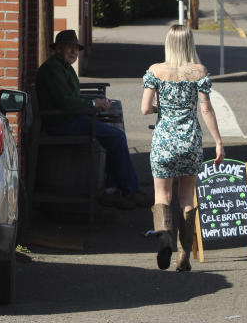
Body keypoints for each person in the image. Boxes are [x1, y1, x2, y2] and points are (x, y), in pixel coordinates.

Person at [35, 29, 151, 211]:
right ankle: (130, 189)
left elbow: (71, 98)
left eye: (76, 48)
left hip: (71, 118)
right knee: (116, 137)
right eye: (69, 47)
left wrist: (97, 103)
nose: (74, 52)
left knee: (114, 134)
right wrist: (93, 103)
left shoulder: (64, 67)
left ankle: (112, 190)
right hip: (61, 123)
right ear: (58, 49)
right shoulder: (52, 69)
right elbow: (65, 102)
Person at [141, 24, 225, 271]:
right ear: (189, 44)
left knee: (162, 196)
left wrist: (162, 109)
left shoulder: (155, 71)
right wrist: (218, 141)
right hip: (190, 140)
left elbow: (145, 108)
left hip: (164, 140)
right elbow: (206, 109)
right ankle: (184, 254)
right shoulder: (198, 72)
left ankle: (165, 237)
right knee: (187, 197)